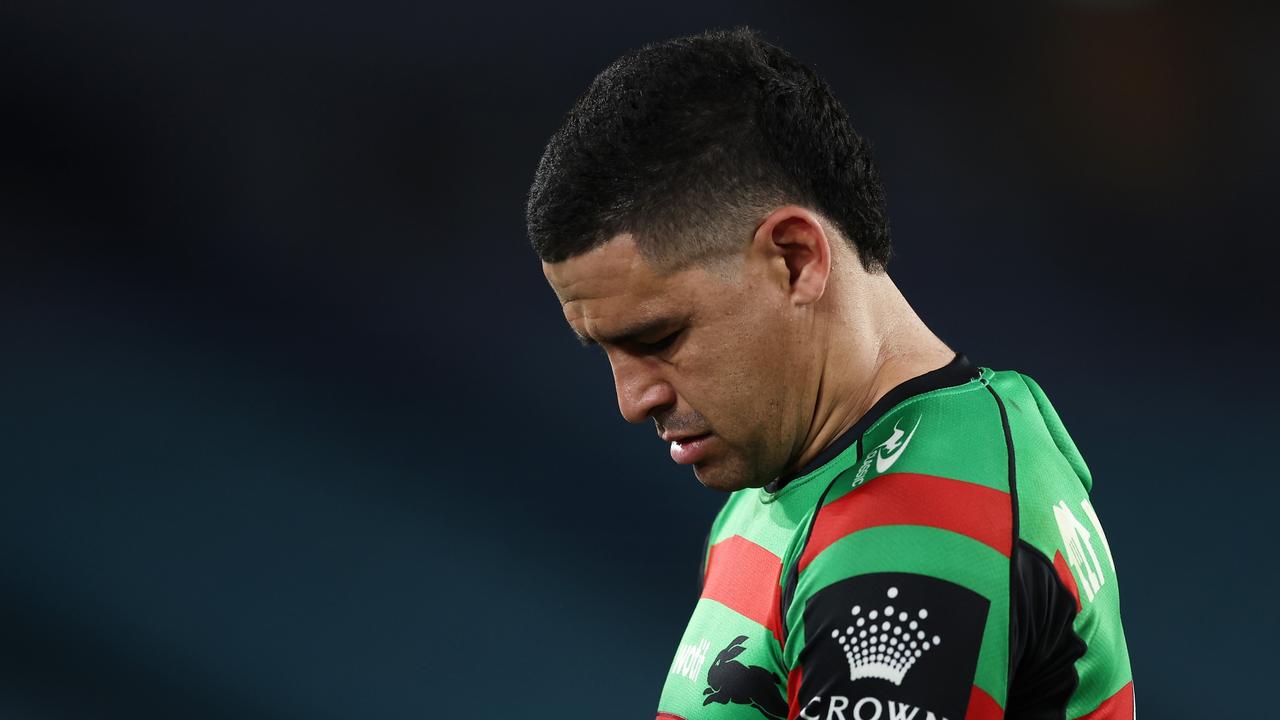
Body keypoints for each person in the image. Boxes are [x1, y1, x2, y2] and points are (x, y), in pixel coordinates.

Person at [525, 27, 1133, 720]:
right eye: (602, 350)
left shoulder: (914, 535)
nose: (633, 399)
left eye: (661, 335)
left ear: (794, 259)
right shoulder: (800, 470)